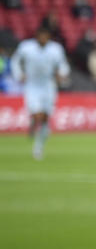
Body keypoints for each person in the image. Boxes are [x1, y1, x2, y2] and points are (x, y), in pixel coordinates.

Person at [10, 24, 69, 160]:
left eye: (46, 36)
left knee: (45, 119)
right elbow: (15, 61)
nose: (43, 39)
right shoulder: (26, 47)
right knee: (38, 116)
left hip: (48, 85)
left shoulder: (56, 49)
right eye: (41, 36)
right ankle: (33, 121)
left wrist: (61, 73)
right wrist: (19, 74)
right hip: (32, 85)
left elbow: (63, 64)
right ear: (36, 37)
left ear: (49, 37)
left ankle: (38, 146)